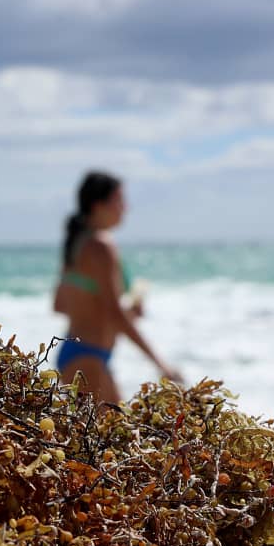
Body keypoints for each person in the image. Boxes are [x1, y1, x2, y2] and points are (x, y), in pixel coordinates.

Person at [52, 170, 179, 404]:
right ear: (98, 205)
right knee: (111, 435)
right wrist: (160, 364)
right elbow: (114, 313)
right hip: (89, 358)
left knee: (102, 435)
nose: (125, 208)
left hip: (75, 354)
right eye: (119, 200)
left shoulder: (76, 244)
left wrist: (123, 312)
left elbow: (59, 305)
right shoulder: (101, 245)